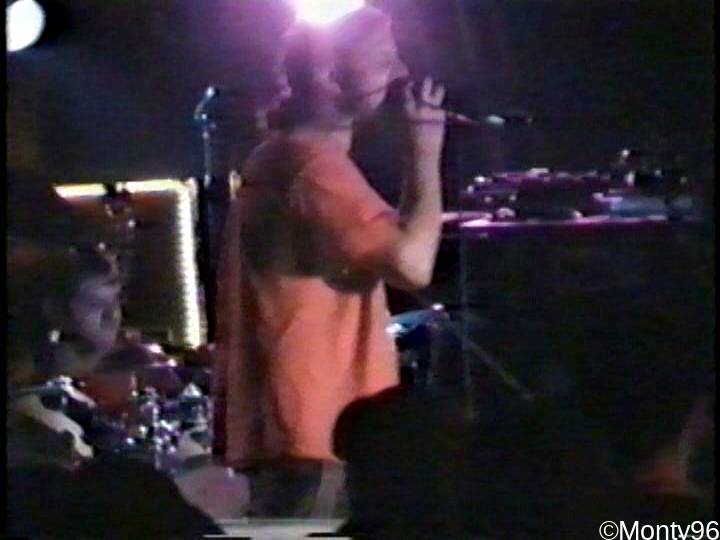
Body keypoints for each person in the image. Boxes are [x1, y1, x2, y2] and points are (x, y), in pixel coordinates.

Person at [213, 5, 447, 517]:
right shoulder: (313, 167)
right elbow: (412, 265)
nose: (400, 72)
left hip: (302, 427)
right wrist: (426, 152)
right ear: (330, 77)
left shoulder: (287, 156)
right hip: (318, 430)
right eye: (383, 59)